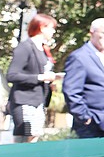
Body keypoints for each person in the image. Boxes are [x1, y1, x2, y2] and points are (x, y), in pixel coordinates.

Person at [63, 18, 104, 138]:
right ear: (92, 32)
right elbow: (71, 91)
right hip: (91, 125)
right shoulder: (79, 57)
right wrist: (84, 117)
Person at [6, 14, 64, 143]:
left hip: (38, 101)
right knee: (24, 139)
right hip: (24, 101)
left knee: (33, 138)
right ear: (42, 28)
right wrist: (41, 77)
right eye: (51, 28)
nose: (54, 31)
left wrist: (51, 81)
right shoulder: (25, 47)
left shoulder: (43, 49)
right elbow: (12, 75)